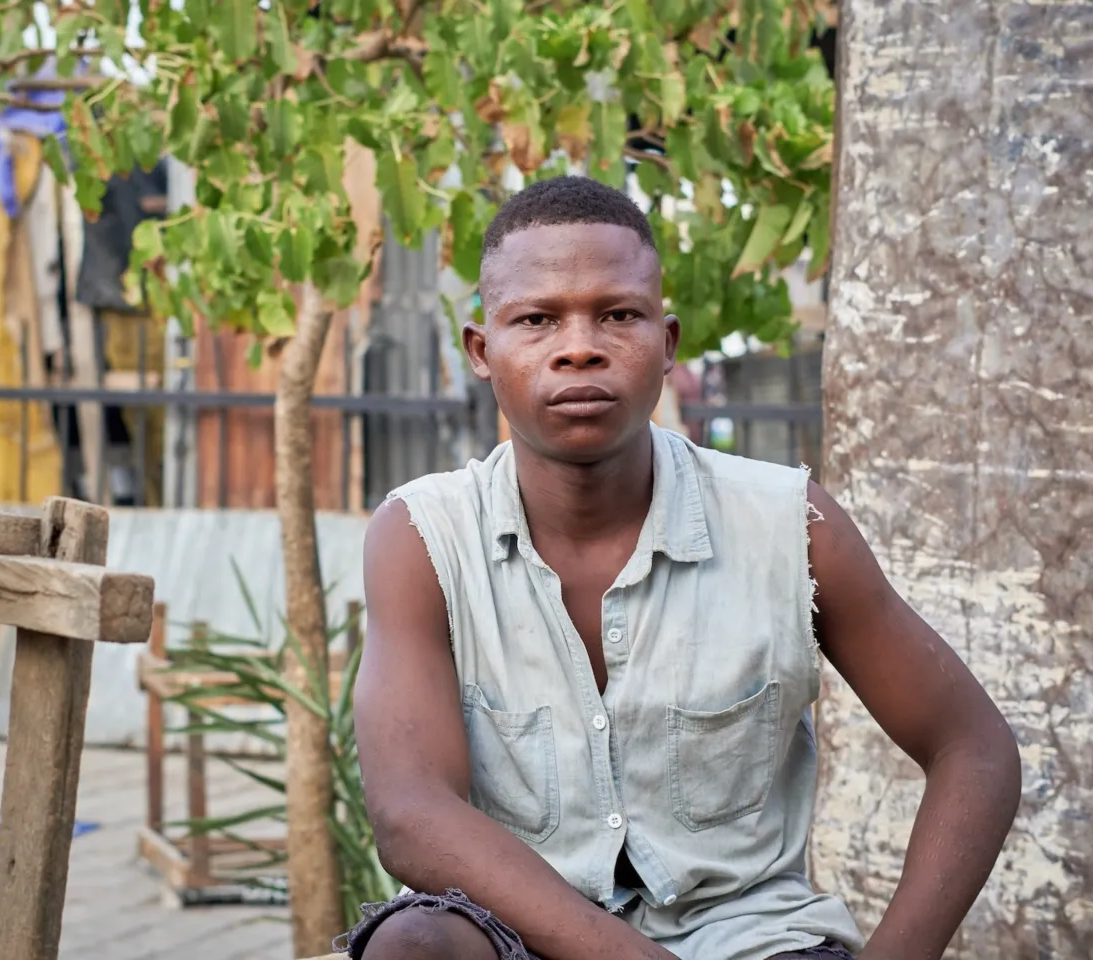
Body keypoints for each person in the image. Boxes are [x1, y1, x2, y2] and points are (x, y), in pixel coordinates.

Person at [348, 176, 1021, 960]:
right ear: (481, 351)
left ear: (666, 345)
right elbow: (410, 812)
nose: (578, 345)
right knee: (415, 944)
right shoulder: (424, 537)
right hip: (520, 936)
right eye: (536, 319)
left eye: (617, 315)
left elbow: (974, 748)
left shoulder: (789, 527)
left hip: (751, 941)